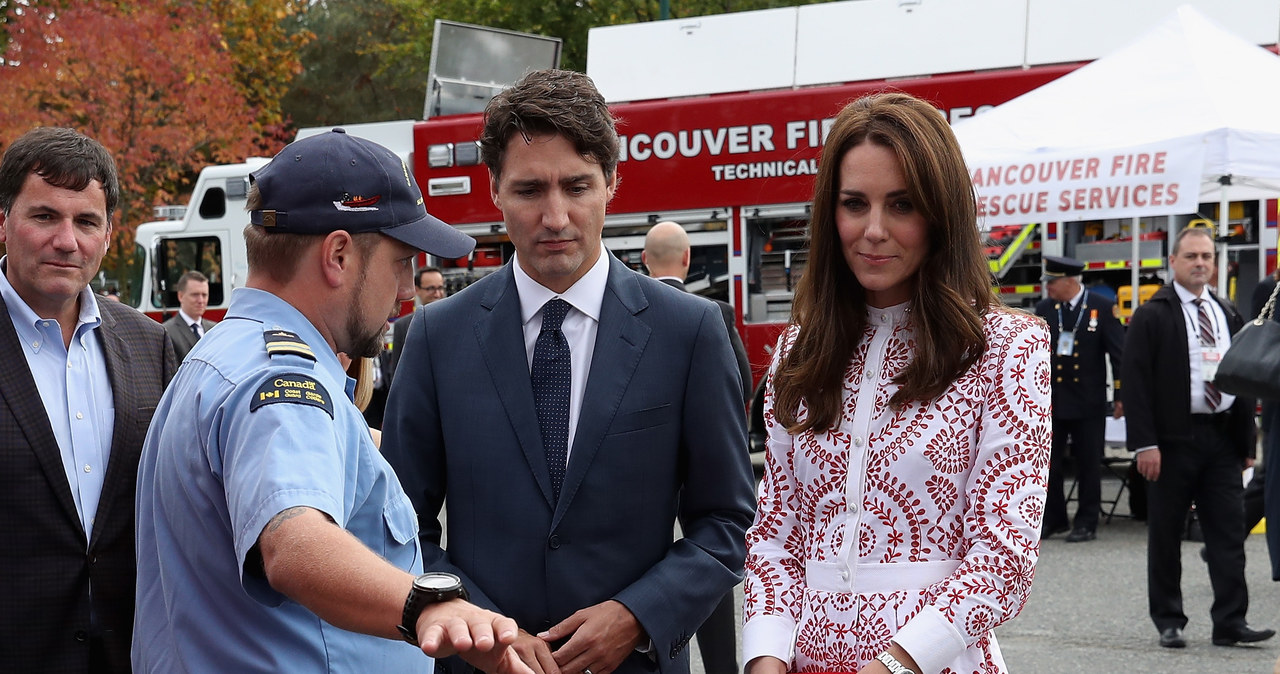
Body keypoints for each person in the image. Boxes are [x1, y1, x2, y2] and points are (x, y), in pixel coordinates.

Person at [383, 68, 756, 674]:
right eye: (530, 191)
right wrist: (478, 626)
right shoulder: (436, 337)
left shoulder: (687, 333)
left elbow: (727, 522)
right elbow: (400, 526)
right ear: (495, 189)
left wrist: (638, 616)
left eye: (577, 186)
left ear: (611, 182)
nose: (555, 217)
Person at [132, 129, 530, 674]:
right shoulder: (283, 380)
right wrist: (428, 608)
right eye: (400, 263)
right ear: (338, 254)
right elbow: (294, 545)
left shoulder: (226, 356)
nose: (409, 291)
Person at [742, 93, 1052, 674]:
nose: (874, 230)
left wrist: (897, 663)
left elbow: (1004, 556)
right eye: (854, 204)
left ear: (941, 213)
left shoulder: (1006, 349)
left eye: (902, 204)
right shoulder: (799, 350)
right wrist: (763, 658)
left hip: (934, 661)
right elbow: (775, 537)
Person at [0, 127, 176, 672]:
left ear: (108, 233)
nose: (67, 241)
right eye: (45, 216)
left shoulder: (151, 345)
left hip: (129, 653)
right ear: (3, 221)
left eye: (86, 221)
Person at [1122, 225, 1273, 649]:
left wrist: (1246, 445)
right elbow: (1135, 383)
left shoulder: (1227, 312)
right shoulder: (1154, 313)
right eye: (1191, 257)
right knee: (1166, 536)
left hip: (1221, 441)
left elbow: (1242, 378)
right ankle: (1169, 620)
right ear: (1173, 262)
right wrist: (1145, 444)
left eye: (1207, 257)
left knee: (1228, 534)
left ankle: (1230, 621)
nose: (1200, 264)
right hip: (1171, 444)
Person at [641, 220, 750, 674]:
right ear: (687, 260)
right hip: (704, 464)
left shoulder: (632, 311)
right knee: (705, 561)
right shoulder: (716, 312)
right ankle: (722, 665)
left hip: (647, 466)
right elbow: (742, 382)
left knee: (652, 560)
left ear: (644, 261)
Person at [1034, 255, 1124, 543]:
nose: (1048, 288)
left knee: (1088, 464)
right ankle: (1054, 518)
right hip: (1054, 401)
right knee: (1051, 465)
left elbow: (1117, 354)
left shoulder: (1101, 307)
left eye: (1053, 282)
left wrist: (1121, 394)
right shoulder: (1046, 308)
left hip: (1088, 401)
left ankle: (1087, 521)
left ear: (1070, 281)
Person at [389, 266, 446, 379]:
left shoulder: (455, 321)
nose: (437, 294)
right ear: (417, 289)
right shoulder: (403, 326)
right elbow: (397, 373)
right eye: (431, 288)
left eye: (440, 288)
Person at [161, 269, 214, 360]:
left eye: (204, 295)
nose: (201, 301)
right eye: (195, 295)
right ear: (180, 296)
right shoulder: (166, 332)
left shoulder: (215, 329)